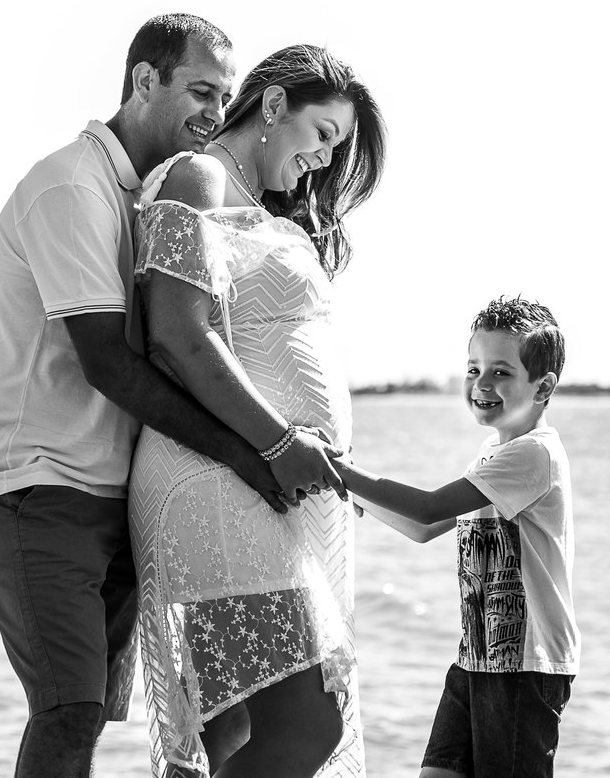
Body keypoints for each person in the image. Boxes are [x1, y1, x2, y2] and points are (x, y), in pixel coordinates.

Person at [0, 15, 340, 778]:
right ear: (144, 80)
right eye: (200, 91)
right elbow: (113, 361)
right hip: (33, 482)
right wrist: (255, 453)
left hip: (112, 488)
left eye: (223, 95)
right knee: (68, 709)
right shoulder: (72, 186)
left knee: (107, 714)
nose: (215, 111)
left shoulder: (147, 191)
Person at [128, 44, 387, 778]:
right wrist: (279, 444)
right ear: (274, 105)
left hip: (256, 486)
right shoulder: (199, 176)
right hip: (216, 479)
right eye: (324, 134)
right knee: (308, 726)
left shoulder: (256, 205)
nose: (325, 159)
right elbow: (176, 331)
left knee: (237, 738)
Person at [330, 297, 581, 778]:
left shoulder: (534, 455)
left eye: (501, 372)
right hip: (477, 656)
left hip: (527, 665)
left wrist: (338, 469)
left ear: (544, 386)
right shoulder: (493, 453)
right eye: (473, 369)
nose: (482, 384)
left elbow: (427, 506)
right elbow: (425, 527)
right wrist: (348, 487)